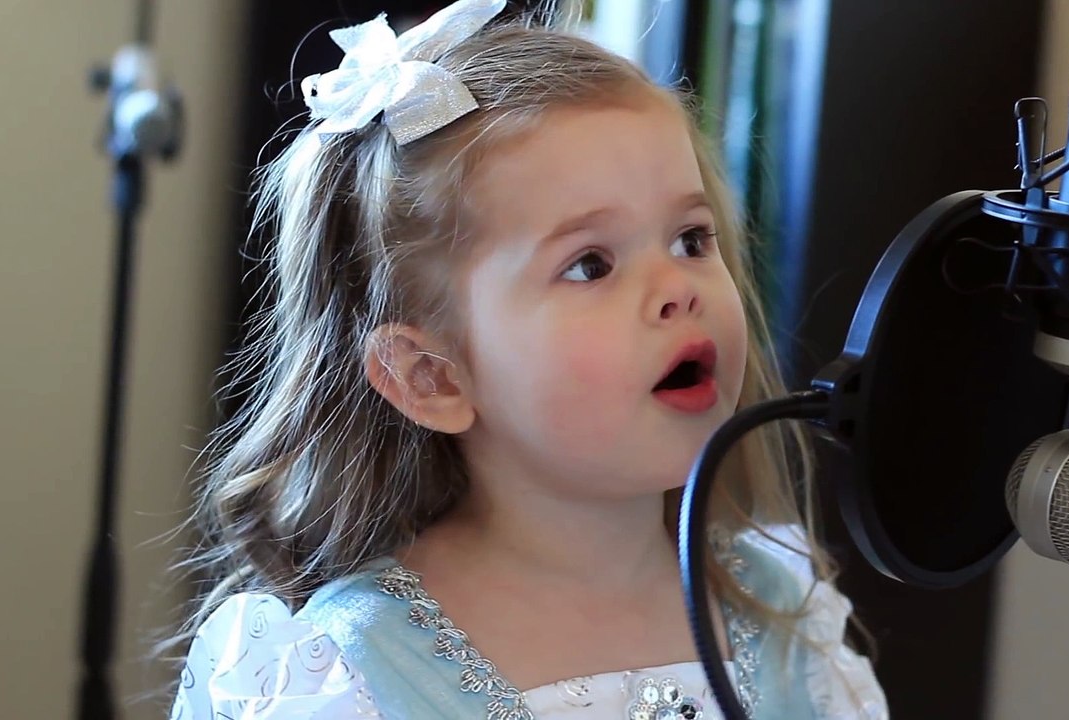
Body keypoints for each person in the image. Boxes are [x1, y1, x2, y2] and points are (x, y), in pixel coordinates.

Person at [167, 0, 887, 717]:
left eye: (690, 240)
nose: (678, 289)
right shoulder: (347, 676)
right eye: (590, 265)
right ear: (432, 377)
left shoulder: (784, 609)